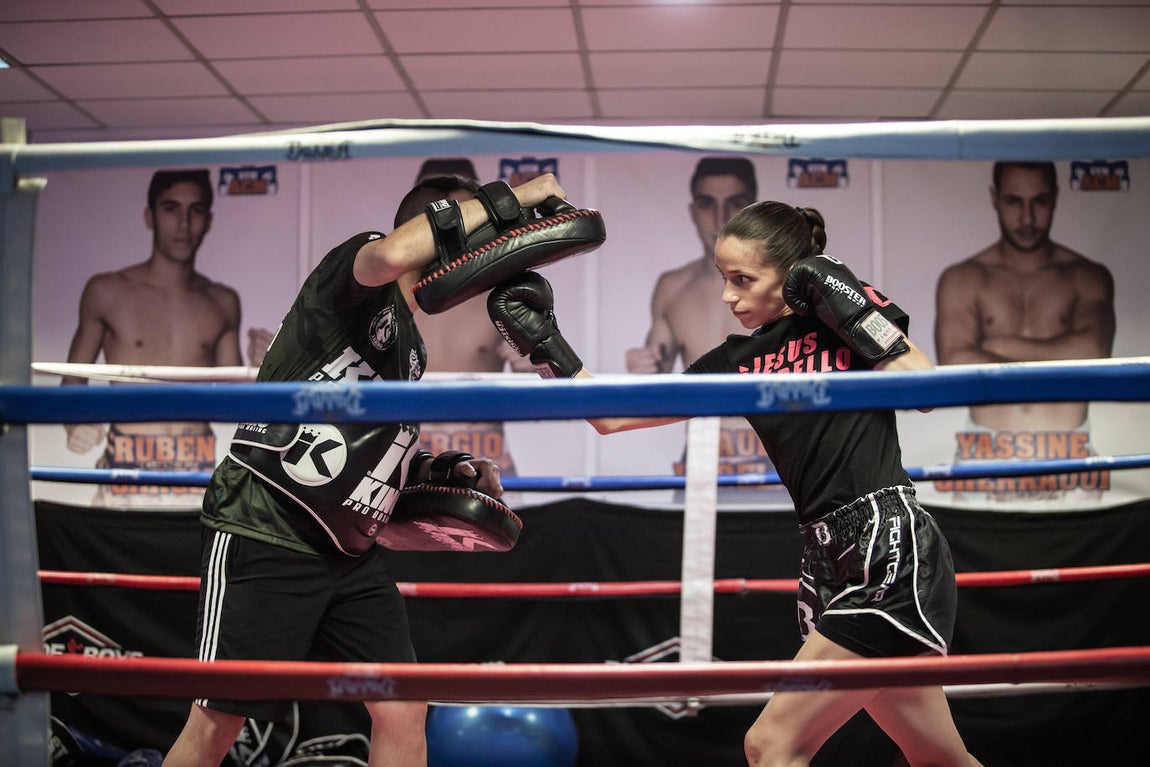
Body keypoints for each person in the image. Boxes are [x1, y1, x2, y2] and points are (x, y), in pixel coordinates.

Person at [488, 201, 984, 767]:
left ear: (796, 277)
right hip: (826, 560)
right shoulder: (739, 358)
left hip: (886, 547)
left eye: (744, 280)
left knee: (771, 744)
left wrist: (846, 307)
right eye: (726, 279)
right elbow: (615, 415)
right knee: (940, 758)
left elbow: (925, 390)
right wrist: (547, 348)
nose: (729, 296)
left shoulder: (840, 320)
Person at [161, 172, 565, 767]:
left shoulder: (412, 348)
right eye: (469, 241)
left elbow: (372, 453)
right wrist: (521, 197)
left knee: (403, 704)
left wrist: (448, 473)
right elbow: (393, 253)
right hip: (266, 526)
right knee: (218, 720)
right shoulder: (353, 270)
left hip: (348, 558)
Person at [61, 168, 271, 506]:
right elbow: (71, 381)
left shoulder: (222, 301)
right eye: (171, 208)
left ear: (209, 220)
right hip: (125, 475)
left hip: (195, 476)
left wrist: (265, 368)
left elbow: (235, 403)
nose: (184, 224)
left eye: (196, 210)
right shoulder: (107, 292)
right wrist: (74, 424)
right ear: (150, 216)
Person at [625, 156, 782, 498]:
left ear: (753, 209)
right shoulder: (672, 287)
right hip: (700, 463)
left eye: (735, 204)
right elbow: (657, 379)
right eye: (708, 203)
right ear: (693, 211)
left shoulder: (788, 285)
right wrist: (644, 370)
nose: (721, 218)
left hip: (779, 462)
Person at [934, 160, 1115, 432]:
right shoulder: (964, 278)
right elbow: (954, 364)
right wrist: (1057, 356)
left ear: (1054, 197)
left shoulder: (1087, 276)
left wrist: (999, 346)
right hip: (987, 453)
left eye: (1039, 201)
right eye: (1014, 202)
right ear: (995, 198)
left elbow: (1093, 354)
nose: (1027, 218)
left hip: (1069, 452)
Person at [394, 173, 531, 485]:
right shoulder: (382, 302)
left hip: (483, 470)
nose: (476, 229)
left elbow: (544, 400)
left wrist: (531, 364)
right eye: (467, 218)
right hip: (401, 471)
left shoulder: (501, 296)